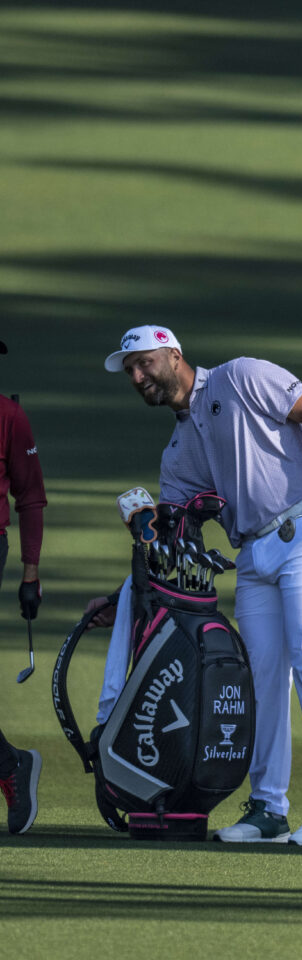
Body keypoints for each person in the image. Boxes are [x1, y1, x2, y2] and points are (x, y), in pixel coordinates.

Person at [90, 325, 302, 845]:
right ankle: (268, 808)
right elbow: (168, 539)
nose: (137, 375)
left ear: (173, 355)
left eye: (145, 362)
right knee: (261, 679)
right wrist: (121, 597)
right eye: (129, 370)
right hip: (255, 554)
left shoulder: (241, 376)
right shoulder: (177, 454)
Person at [0, 338, 46, 835]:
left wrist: (30, 573)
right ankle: (9, 764)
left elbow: (30, 498)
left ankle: (10, 767)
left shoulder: (9, 417)